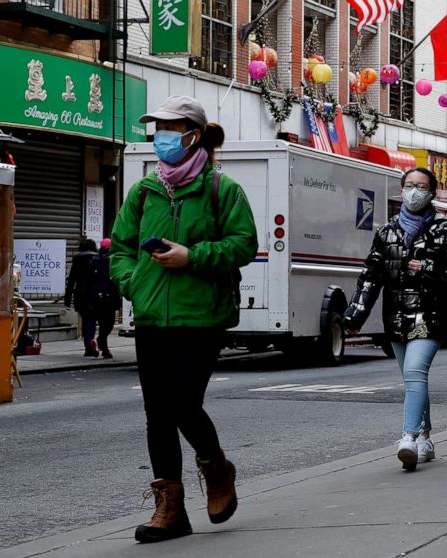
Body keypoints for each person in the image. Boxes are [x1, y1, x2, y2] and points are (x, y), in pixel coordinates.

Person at [109, 95, 258, 543]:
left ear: (193, 135)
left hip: (203, 316)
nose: (161, 138)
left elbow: (243, 244)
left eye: (170, 129)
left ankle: (215, 467)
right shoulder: (144, 190)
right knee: (158, 412)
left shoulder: (221, 189)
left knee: (182, 402)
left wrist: (192, 256)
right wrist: (133, 282)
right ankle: (170, 508)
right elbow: (119, 247)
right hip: (152, 315)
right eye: (157, 130)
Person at [344, 168, 447, 471]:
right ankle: (425, 436)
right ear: (401, 190)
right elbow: (371, 276)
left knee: (415, 371)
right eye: (410, 186)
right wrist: (356, 313)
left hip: (431, 315)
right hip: (396, 317)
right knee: (414, 379)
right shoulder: (387, 232)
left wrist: (427, 268)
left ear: (432, 193)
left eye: (421, 186)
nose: (415, 191)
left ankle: (409, 438)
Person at [65, 238, 100, 357]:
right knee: (91, 320)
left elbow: (72, 280)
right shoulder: (98, 259)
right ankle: (92, 342)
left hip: (80, 293)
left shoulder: (77, 259)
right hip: (94, 294)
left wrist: (67, 299)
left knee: (86, 319)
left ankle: (88, 346)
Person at [93, 238, 120, 359]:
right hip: (109, 296)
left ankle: (101, 344)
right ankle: (103, 345)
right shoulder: (112, 261)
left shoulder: (94, 261)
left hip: (97, 296)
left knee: (103, 323)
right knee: (108, 323)